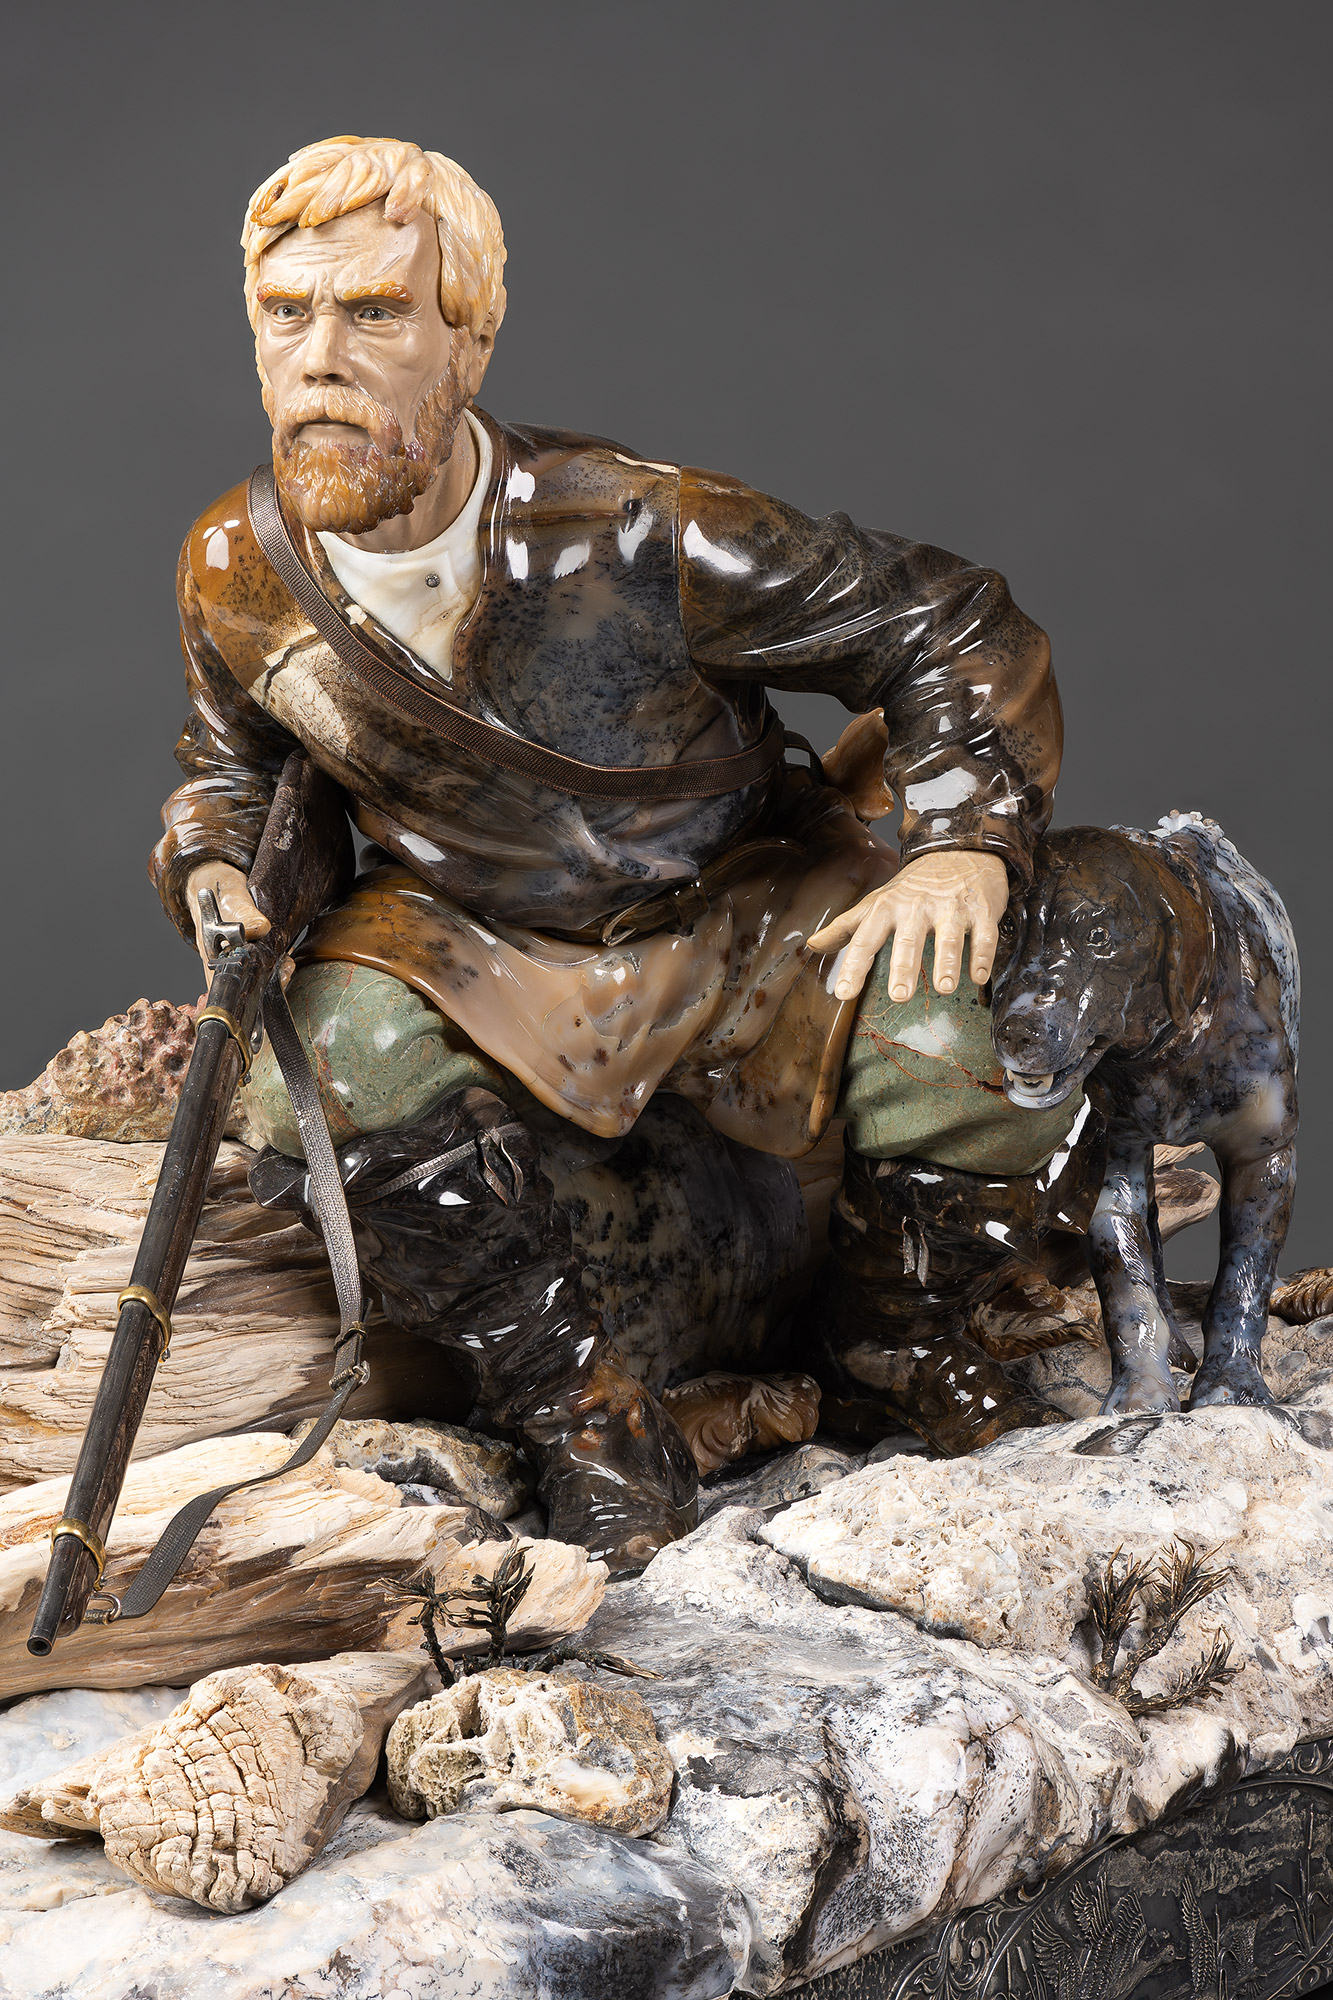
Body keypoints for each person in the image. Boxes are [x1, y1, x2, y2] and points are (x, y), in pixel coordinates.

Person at [152, 135, 1092, 1572]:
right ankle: (587, 1418)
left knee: (971, 1034)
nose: (320, 359)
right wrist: (217, 871)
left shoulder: (643, 530)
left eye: (376, 313)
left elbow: (946, 624)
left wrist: (967, 844)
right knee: (320, 1070)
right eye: (287, 314)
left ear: (468, 339)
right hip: (471, 939)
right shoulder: (238, 569)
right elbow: (236, 771)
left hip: (738, 910)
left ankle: (892, 1345)